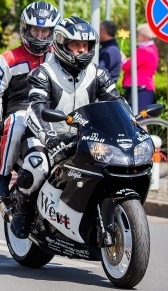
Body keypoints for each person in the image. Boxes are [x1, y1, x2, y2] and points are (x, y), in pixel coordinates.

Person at [11, 16, 133, 239]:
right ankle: (23, 210)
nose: (81, 50)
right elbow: (36, 109)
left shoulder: (98, 74)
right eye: (75, 45)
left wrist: (132, 125)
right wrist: (49, 137)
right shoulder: (43, 74)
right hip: (45, 135)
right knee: (37, 165)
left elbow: (116, 101)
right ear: (61, 44)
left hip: (83, 136)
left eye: (85, 45)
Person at [0, 1, 60, 197]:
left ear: (53, 32)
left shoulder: (58, 58)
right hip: (20, 109)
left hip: (49, 111)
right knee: (15, 125)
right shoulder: (8, 58)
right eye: (35, 30)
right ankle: (3, 176)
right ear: (25, 29)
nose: (39, 36)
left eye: (45, 31)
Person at [121, 23, 159, 109]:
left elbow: (128, 66)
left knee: (137, 114)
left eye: (139, 35)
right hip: (143, 87)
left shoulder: (144, 51)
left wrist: (123, 59)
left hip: (139, 88)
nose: (137, 37)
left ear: (144, 36)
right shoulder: (152, 49)